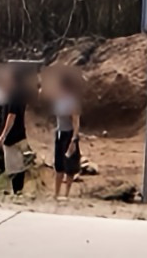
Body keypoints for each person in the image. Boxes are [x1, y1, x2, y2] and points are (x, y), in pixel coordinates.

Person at [0, 66, 30, 195]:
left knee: (14, 167)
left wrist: (3, 135)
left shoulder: (13, 95)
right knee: (18, 165)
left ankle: (17, 191)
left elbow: (11, 116)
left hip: (13, 136)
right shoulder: (21, 94)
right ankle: (17, 190)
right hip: (20, 133)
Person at [52, 69, 82, 200]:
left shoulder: (72, 102)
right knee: (59, 165)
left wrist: (74, 139)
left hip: (69, 134)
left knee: (69, 166)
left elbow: (76, 122)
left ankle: (66, 194)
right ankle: (56, 193)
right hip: (59, 133)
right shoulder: (58, 101)